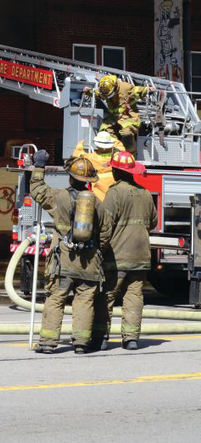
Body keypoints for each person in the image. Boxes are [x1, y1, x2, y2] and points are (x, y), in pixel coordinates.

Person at [30, 149, 107, 354]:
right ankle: (81, 343)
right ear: (89, 181)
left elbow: (37, 189)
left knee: (56, 298)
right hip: (89, 263)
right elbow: (106, 232)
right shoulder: (97, 204)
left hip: (63, 260)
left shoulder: (58, 197)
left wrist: (39, 166)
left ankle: (47, 342)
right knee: (85, 301)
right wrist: (96, 250)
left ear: (71, 178)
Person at [97, 150, 157, 350]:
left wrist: (100, 248)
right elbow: (153, 221)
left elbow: (105, 225)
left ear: (118, 172)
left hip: (118, 256)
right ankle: (131, 339)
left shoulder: (115, 192)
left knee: (107, 295)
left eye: (113, 169)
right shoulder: (145, 193)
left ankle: (101, 337)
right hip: (141, 256)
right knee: (134, 297)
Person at [92, 74, 151, 153]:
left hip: (128, 117)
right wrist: (88, 91)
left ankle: (130, 153)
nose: (106, 95)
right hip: (114, 117)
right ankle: (115, 151)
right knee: (106, 129)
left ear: (115, 86)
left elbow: (137, 91)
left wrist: (147, 90)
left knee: (126, 132)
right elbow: (97, 93)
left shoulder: (125, 87)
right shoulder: (105, 90)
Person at [72, 131, 125, 202]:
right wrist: (112, 139)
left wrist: (79, 146)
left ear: (96, 144)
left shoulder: (91, 157)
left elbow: (77, 156)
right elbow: (121, 148)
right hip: (114, 189)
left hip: (98, 191)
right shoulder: (116, 155)